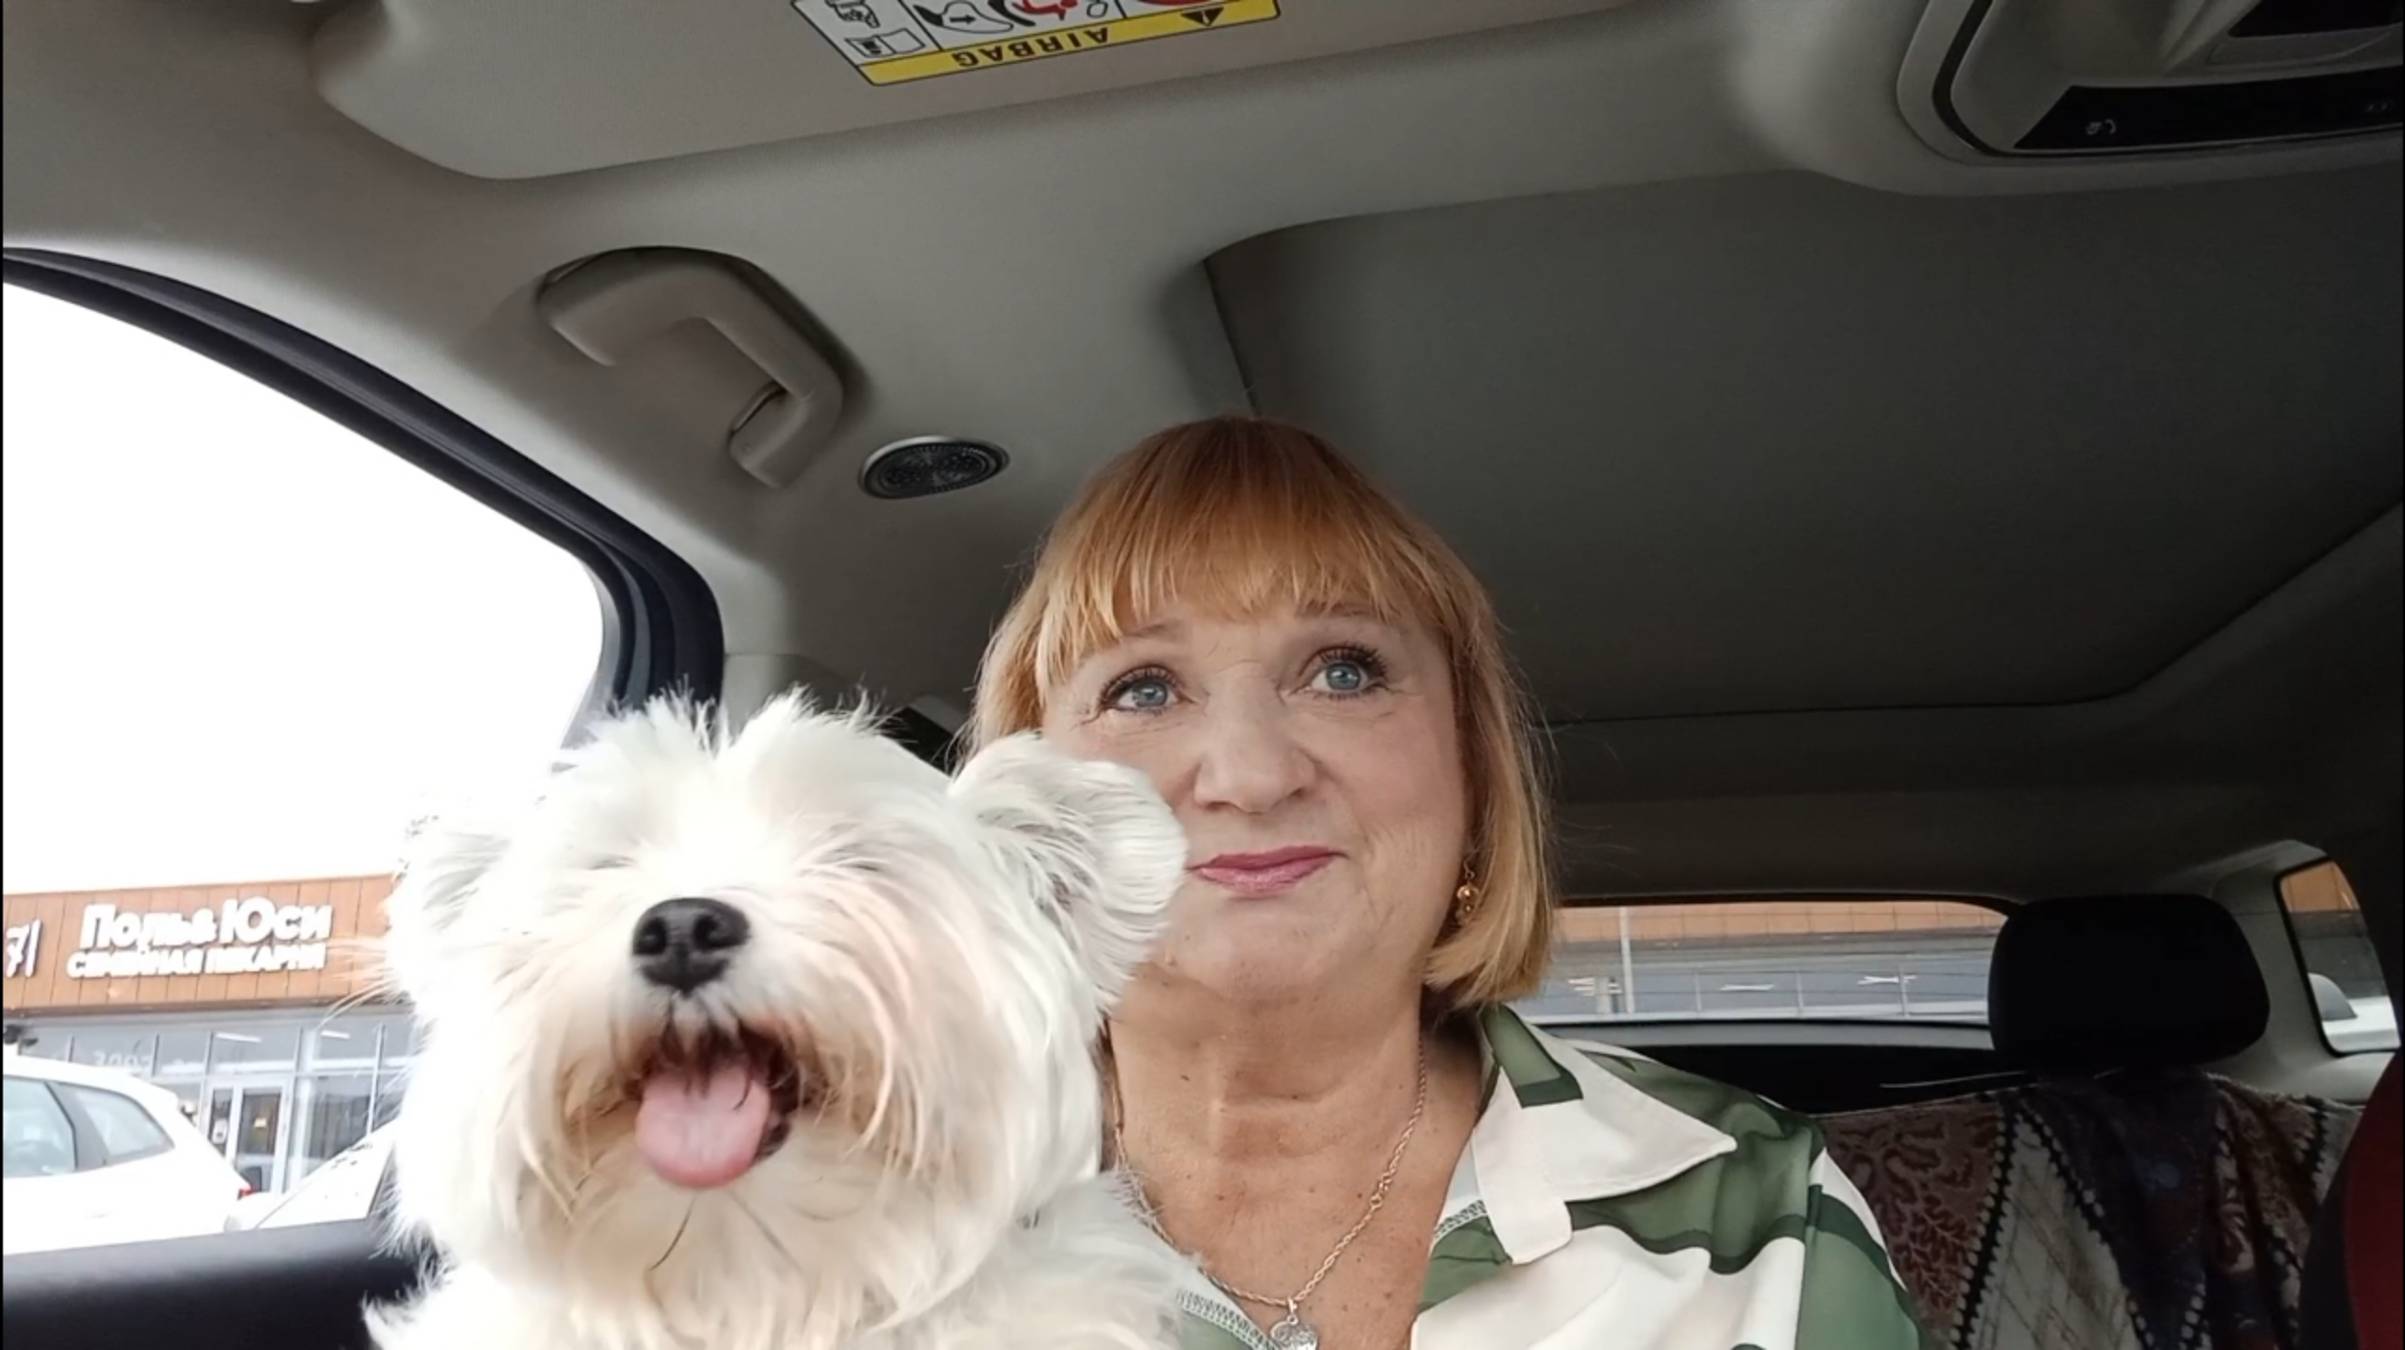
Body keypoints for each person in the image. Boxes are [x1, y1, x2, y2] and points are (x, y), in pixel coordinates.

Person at [971, 417, 1927, 1350]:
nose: (1251, 775)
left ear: (1472, 777)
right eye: (1142, 689)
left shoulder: (1756, 1207)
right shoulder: (903, 1222)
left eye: (1343, 673)